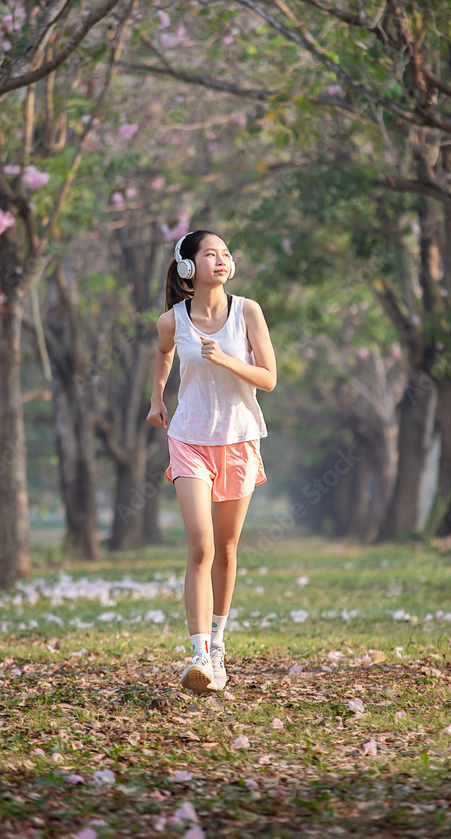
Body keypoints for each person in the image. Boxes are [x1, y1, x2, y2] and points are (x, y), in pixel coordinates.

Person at [147, 229, 277, 693]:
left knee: (226, 548)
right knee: (201, 546)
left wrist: (225, 360)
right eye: (209, 254)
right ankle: (199, 654)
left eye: (225, 254)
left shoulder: (248, 312)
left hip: (240, 438)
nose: (221, 260)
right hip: (189, 438)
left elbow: (269, 378)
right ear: (188, 266)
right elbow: (163, 355)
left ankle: (219, 645)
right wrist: (158, 397)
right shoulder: (172, 321)